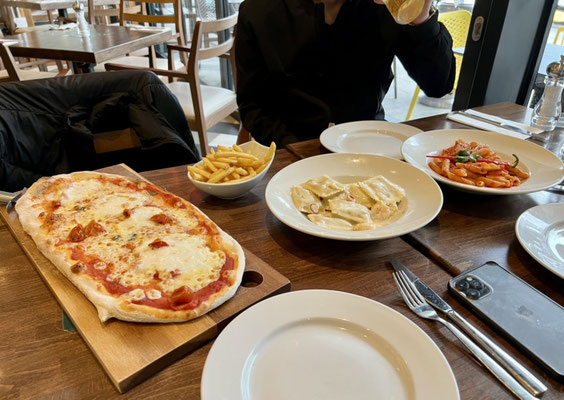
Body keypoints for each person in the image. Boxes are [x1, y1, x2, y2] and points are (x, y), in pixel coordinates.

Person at [235, 0, 456, 147]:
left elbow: (439, 85)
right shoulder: (259, 10)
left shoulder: (383, 7)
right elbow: (252, 105)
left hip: (369, 144)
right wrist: (295, 147)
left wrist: (420, 19)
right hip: (289, 150)